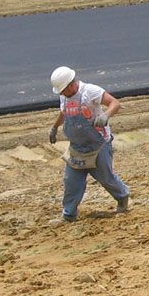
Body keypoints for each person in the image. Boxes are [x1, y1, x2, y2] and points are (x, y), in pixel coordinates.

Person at [48, 65, 130, 222]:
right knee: (71, 181)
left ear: (71, 84)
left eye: (64, 90)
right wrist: (54, 127)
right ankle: (69, 214)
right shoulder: (64, 97)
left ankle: (122, 196)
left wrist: (106, 115)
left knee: (106, 177)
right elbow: (64, 112)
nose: (62, 94)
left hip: (98, 145)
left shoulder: (90, 91)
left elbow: (115, 103)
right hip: (77, 147)